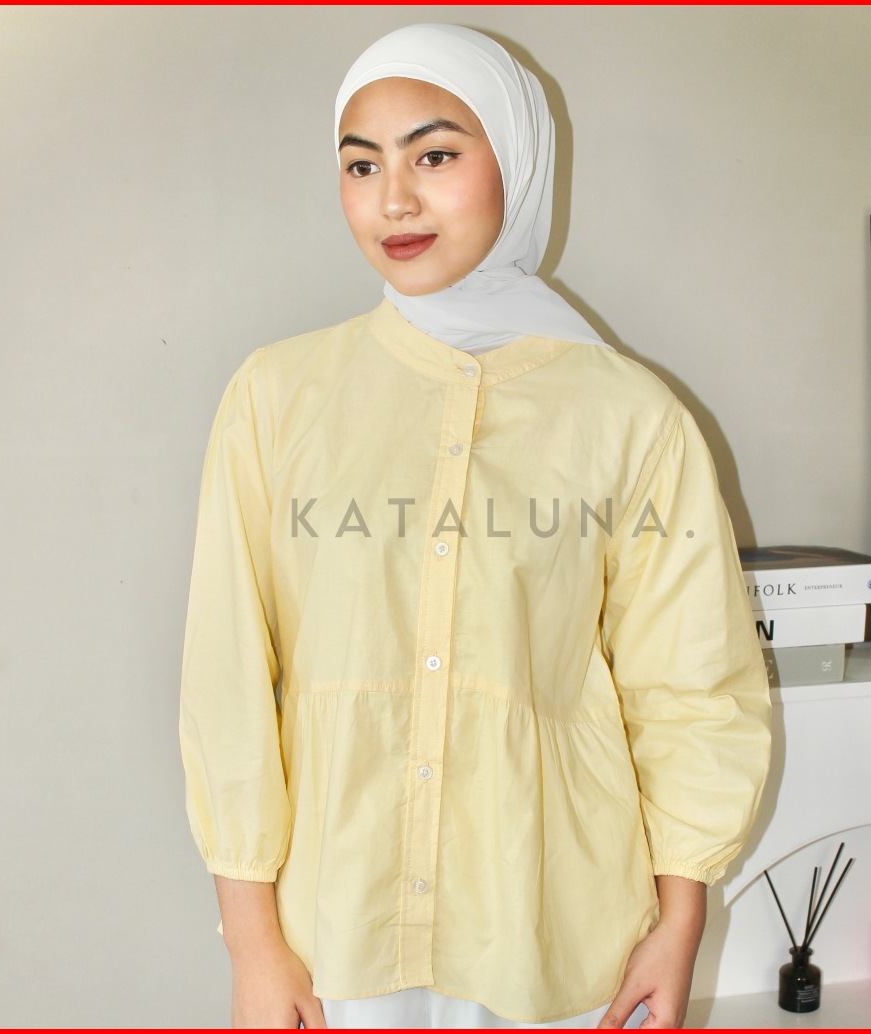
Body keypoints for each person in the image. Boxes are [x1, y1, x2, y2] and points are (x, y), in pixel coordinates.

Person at [180, 23, 771, 1030]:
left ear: (517, 160)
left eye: (435, 155)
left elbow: (691, 685)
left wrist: (679, 922)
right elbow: (225, 681)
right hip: (334, 942)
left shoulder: (631, 416)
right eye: (361, 164)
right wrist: (252, 942)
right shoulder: (275, 397)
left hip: (555, 939)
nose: (393, 200)